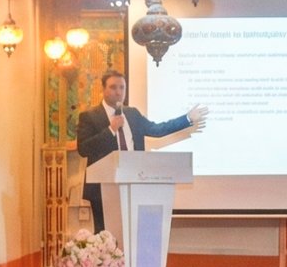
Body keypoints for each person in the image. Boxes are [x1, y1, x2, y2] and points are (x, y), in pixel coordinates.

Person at [75, 70, 207, 233]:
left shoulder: (132, 114)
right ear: (103, 89)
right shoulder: (89, 116)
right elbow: (83, 148)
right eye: (113, 87)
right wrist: (110, 130)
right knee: (105, 235)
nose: (118, 92)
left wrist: (187, 119)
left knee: (134, 232)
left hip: (134, 184)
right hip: (103, 190)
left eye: (122, 87)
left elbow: (157, 129)